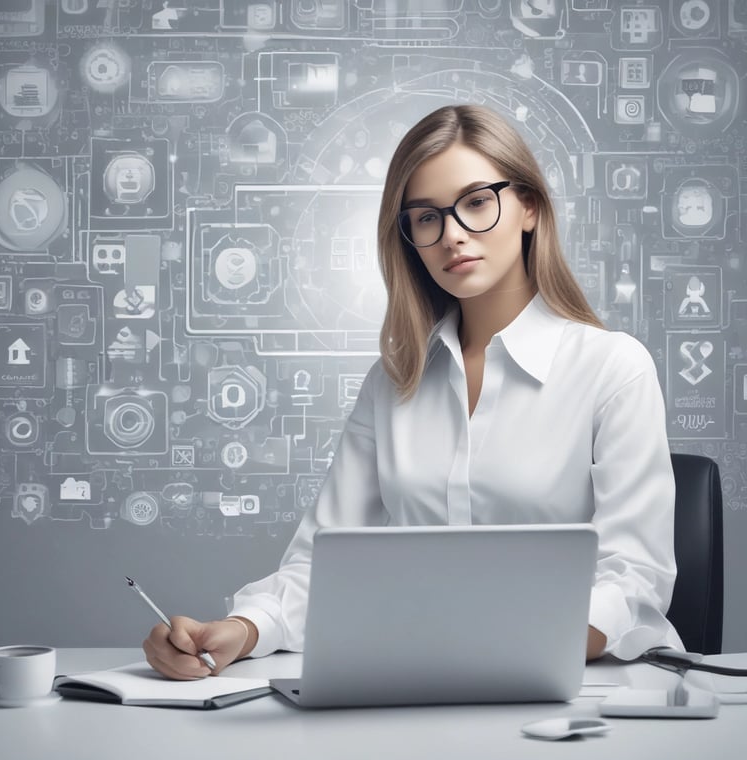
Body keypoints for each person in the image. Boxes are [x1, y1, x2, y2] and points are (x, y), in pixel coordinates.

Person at [143, 104, 681, 680]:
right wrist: (243, 630)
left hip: (580, 688)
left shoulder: (612, 368)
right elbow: (322, 565)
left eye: (477, 202)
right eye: (426, 218)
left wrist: (507, 640)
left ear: (528, 207)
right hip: (417, 679)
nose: (452, 235)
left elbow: (635, 579)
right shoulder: (394, 382)